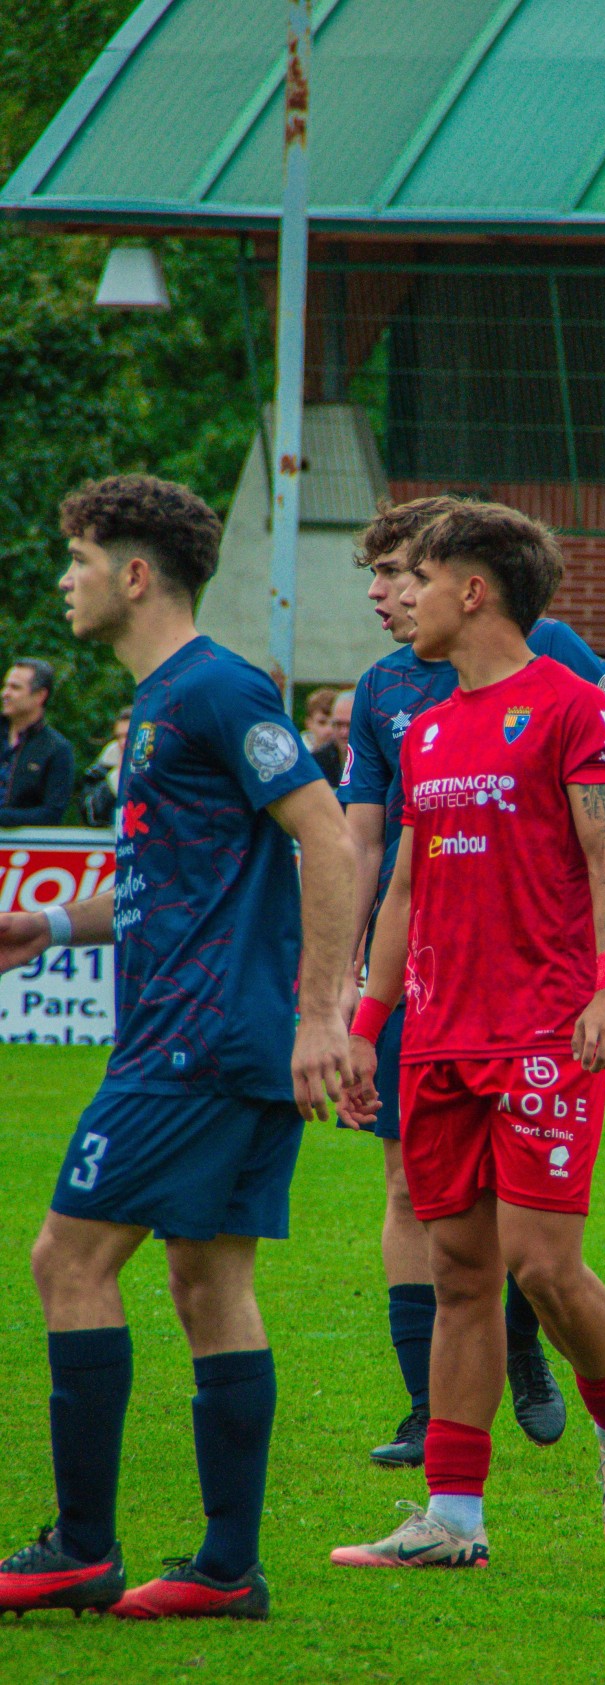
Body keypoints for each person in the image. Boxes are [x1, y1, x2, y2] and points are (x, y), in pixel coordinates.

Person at [0, 474, 355, 1622]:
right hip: (211, 1039)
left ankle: (79, 1549)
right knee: (207, 1280)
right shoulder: (164, 704)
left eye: (80, 560)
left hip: (195, 1043)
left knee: (67, 1259)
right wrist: (50, 924)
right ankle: (226, 1570)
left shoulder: (211, 689)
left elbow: (326, 835)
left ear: (135, 574)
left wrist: (322, 1016)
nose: (66, 581)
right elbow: (172, 885)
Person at [332, 500, 605, 1571]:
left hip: (544, 1027)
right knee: (460, 1272)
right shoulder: (421, 727)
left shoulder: (572, 709)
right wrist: (365, 1024)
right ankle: (453, 1519)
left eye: (416, 580)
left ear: (472, 590)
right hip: (436, 1034)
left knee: (539, 1267)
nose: (400, 599)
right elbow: (401, 894)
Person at [0, 658, 75, 827]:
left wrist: (5, 818)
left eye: (15, 687)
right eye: (6, 686)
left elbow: (52, 813)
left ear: (40, 695)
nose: (5, 693)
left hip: (24, 848)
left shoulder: (56, 749)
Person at [78, 706, 133, 826]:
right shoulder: (100, 771)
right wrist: (114, 780)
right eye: (119, 736)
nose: (123, 743)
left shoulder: (165, 768)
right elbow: (90, 817)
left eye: (129, 735)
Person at [312, 690, 353, 790]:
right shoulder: (317, 762)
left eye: (350, 725)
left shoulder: (378, 764)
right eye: (338, 724)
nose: (344, 732)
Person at [302, 686, 338, 753]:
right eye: (322, 723)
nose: (329, 730)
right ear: (309, 724)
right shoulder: (294, 756)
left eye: (335, 724)